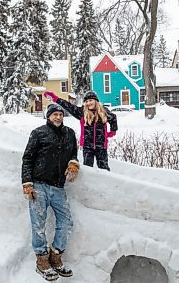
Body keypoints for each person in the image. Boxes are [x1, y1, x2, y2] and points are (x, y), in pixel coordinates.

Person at [21, 103, 80, 281]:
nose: (58, 117)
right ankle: (41, 260)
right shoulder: (38, 133)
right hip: (38, 185)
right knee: (38, 224)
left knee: (66, 222)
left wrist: (73, 163)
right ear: (48, 116)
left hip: (58, 187)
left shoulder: (69, 133)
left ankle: (56, 255)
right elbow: (28, 158)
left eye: (60, 114)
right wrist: (27, 183)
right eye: (54, 114)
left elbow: (74, 153)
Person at [43, 90, 118, 171]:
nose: (88, 103)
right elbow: (69, 106)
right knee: (88, 167)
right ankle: (87, 183)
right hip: (87, 146)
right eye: (86, 101)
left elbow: (113, 118)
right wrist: (55, 98)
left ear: (95, 101)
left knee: (104, 167)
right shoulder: (82, 112)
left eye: (90, 100)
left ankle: (106, 182)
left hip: (101, 145)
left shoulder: (104, 111)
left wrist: (112, 131)